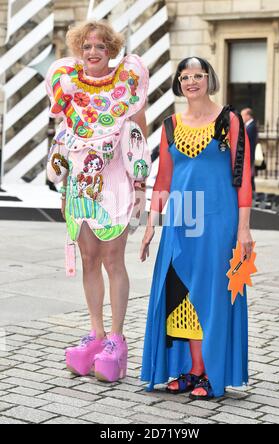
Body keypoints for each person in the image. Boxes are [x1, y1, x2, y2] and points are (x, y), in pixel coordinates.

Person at [140, 57, 253, 400]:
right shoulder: (170, 124)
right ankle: (194, 369)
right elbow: (164, 178)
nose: (192, 82)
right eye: (185, 77)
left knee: (213, 295)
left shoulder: (228, 120)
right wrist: (150, 224)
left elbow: (243, 176)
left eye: (198, 76)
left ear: (209, 79)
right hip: (179, 221)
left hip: (219, 221)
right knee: (180, 294)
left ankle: (210, 373)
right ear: (178, 83)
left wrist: (244, 230)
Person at [46, 20, 150, 383]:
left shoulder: (127, 86)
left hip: (114, 184)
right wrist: (62, 185)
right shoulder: (69, 85)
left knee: (112, 259)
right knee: (89, 258)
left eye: (100, 47)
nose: (92, 53)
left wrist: (140, 186)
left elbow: (138, 134)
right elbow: (64, 135)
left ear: (111, 50)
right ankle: (96, 334)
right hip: (78, 187)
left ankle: (117, 340)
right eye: (86, 47)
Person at [241, 108, 258, 192]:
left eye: (243, 115)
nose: (241, 117)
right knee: (248, 175)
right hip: (247, 154)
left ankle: (252, 191)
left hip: (249, 154)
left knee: (249, 174)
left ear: (248, 115)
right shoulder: (247, 125)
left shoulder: (251, 126)